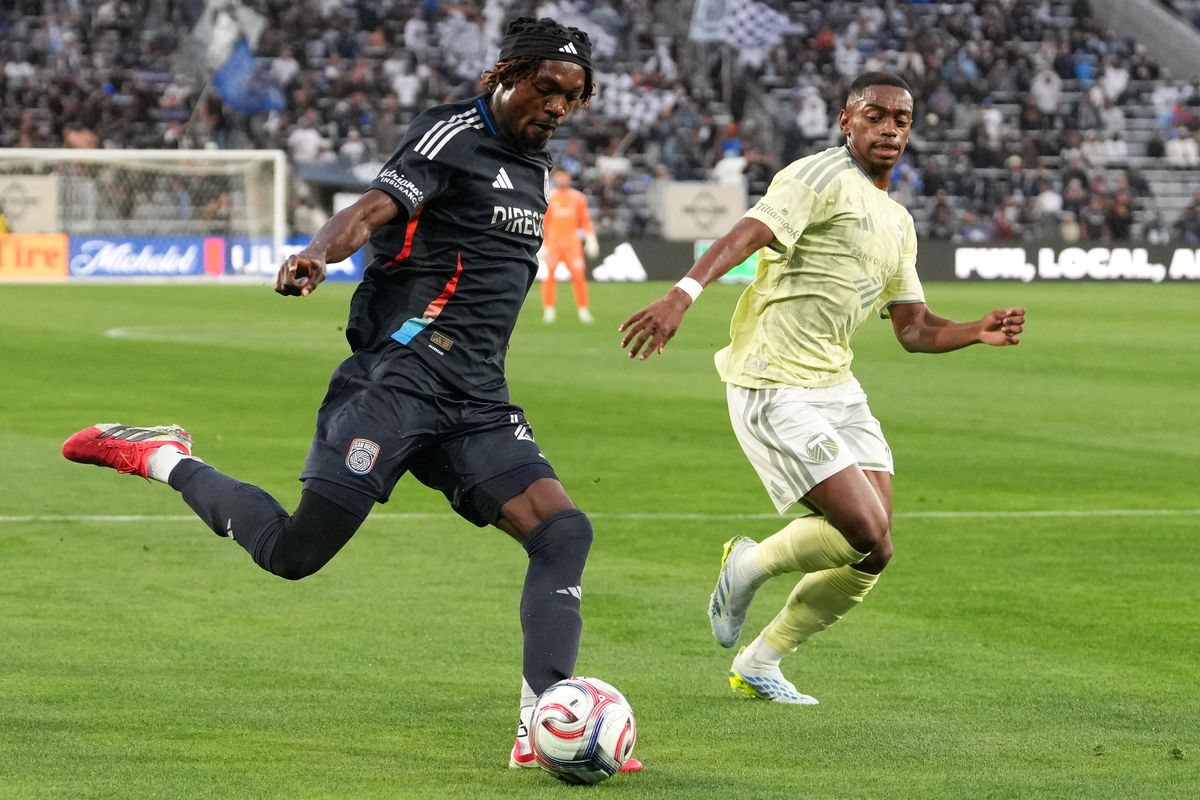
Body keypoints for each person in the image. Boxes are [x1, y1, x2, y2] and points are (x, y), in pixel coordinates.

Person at [62, 16, 640, 774]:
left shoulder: (533, 166)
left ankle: (544, 715)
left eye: (572, 97)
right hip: (396, 383)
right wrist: (315, 253)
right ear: (506, 74)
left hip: (475, 397)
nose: (558, 108)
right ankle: (163, 457)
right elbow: (373, 209)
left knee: (563, 532)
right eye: (546, 89)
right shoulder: (448, 137)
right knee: (293, 555)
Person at [619, 72, 1026, 705]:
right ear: (846, 121)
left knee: (876, 549)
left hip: (837, 384)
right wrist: (682, 294)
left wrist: (977, 329)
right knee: (863, 527)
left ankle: (763, 660)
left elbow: (913, 329)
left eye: (901, 119)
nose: (888, 128)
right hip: (773, 381)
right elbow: (748, 233)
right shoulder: (818, 175)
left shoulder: (896, 220)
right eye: (874, 115)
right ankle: (746, 564)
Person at [540, 167, 599, 323]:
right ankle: (549, 309)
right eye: (559, 177)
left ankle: (583, 309)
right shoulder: (550, 198)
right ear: (555, 178)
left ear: (569, 178)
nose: (562, 179)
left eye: (564, 177)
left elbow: (585, 221)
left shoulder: (578, 198)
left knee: (579, 277)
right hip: (553, 244)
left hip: (572, 245)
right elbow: (543, 223)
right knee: (549, 277)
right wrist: (542, 244)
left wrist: (591, 238)